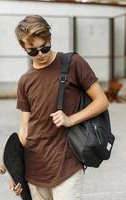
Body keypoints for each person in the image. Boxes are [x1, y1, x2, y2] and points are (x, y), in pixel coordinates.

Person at [9, 15, 109, 200]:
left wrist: (71, 119)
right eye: (33, 51)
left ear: (50, 39)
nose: (41, 54)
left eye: (44, 47)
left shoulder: (72, 63)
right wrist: (14, 170)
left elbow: (102, 101)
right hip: (34, 168)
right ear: (22, 47)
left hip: (67, 164)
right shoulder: (25, 81)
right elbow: (25, 130)